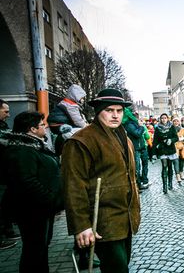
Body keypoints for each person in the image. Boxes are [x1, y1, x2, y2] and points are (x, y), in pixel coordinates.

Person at [62, 88, 140, 273]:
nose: (115, 115)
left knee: (121, 266)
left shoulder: (124, 137)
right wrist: (81, 226)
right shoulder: (81, 140)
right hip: (103, 220)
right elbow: (73, 185)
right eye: (109, 110)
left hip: (125, 218)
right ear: (98, 111)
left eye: (119, 111)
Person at [3, 111, 63, 272]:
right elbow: (26, 181)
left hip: (41, 208)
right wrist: (49, 198)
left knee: (40, 248)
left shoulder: (33, 145)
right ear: (32, 129)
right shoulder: (22, 150)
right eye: (42, 125)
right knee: (34, 250)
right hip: (32, 209)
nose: (46, 127)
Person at [0, 99, 19, 251]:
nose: (8, 114)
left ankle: (7, 230)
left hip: (5, 173)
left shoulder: (3, 126)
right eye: (5, 111)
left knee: (5, 204)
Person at [122, 108, 150, 190]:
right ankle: (138, 184)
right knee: (137, 167)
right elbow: (137, 134)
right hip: (136, 148)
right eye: (134, 114)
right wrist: (141, 127)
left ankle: (144, 180)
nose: (136, 115)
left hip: (142, 147)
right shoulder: (129, 124)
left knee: (145, 164)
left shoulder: (134, 122)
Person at [153, 113, 179, 194]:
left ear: (168, 119)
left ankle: (170, 183)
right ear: (160, 119)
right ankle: (164, 186)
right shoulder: (157, 128)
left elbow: (176, 137)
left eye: (165, 118)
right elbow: (155, 140)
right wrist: (154, 153)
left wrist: (171, 140)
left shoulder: (171, 127)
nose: (163, 119)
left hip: (170, 149)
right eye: (162, 118)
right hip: (162, 149)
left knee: (170, 166)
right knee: (164, 166)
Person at [172, 117, 184, 184]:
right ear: (172, 122)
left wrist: (183, 139)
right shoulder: (171, 130)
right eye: (174, 121)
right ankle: (177, 176)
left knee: (182, 162)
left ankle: (181, 173)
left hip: (182, 147)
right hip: (174, 148)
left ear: (179, 122)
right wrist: (176, 139)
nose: (176, 122)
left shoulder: (183, 129)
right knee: (176, 162)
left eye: (177, 121)